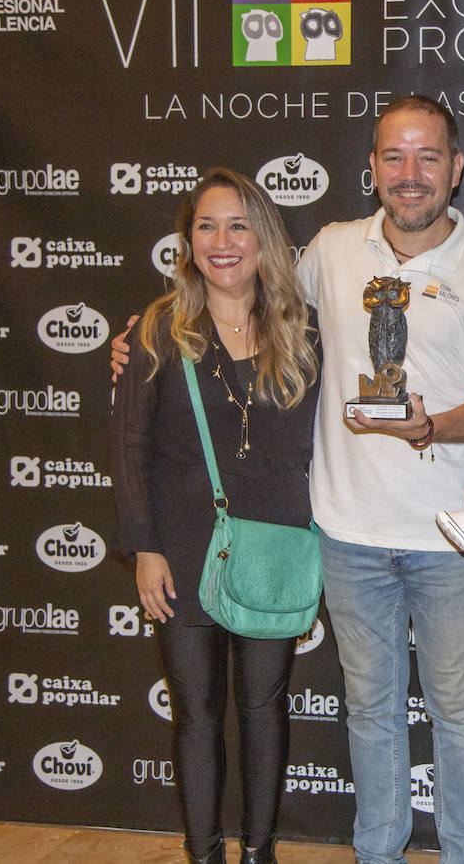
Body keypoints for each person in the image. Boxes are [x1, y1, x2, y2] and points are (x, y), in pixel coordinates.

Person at [116, 96, 464, 864]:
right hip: (346, 534)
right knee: (370, 711)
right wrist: (136, 340)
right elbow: (241, 298)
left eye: (427, 157)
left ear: (456, 168)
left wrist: (431, 425)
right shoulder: (329, 251)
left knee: (459, 713)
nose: (410, 175)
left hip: (448, 537)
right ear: (370, 170)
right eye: (393, 158)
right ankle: (378, 854)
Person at [110, 167, 321, 864]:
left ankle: (260, 852)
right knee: (196, 718)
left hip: (276, 548)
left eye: (238, 226)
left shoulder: (306, 330)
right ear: (187, 241)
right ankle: (203, 853)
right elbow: (131, 444)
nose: (222, 241)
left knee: (265, 709)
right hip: (182, 550)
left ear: (263, 240)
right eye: (206, 226)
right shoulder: (156, 330)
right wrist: (144, 547)